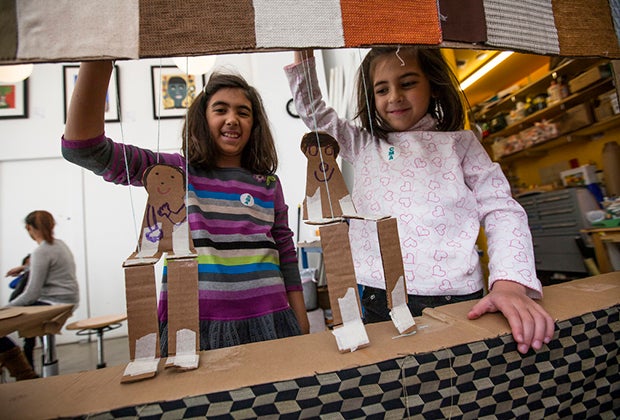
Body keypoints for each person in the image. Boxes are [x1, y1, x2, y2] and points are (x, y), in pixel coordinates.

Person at [285, 48, 554, 354]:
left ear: (433, 85)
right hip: (377, 292)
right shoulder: (363, 144)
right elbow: (314, 112)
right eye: (381, 90)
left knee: (457, 371)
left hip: (455, 294)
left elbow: (501, 209)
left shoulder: (461, 143)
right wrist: (303, 54)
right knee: (393, 374)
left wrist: (509, 283)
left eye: (408, 83)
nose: (394, 97)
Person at [61, 61, 309, 356]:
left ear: (255, 126)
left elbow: (285, 249)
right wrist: (100, 59)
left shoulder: (268, 183)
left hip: (272, 319)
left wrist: (300, 316)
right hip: (193, 325)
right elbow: (84, 149)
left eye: (243, 112)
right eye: (220, 110)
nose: (232, 119)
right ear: (202, 120)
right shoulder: (174, 173)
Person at [2, 210, 79, 375]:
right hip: (69, 300)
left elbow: (31, 295)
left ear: (29, 228)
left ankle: (25, 374)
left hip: (53, 304)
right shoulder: (60, 244)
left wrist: (5, 309)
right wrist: (25, 268)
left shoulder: (40, 252)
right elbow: (51, 264)